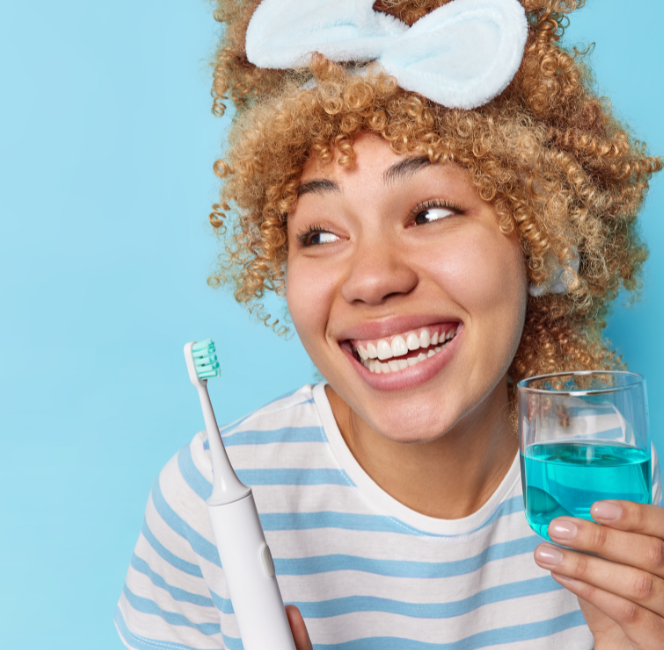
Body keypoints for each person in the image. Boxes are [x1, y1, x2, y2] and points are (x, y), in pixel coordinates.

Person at [115, 0, 664, 648]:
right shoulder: (207, 497)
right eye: (319, 233)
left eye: (431, 214)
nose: (373, 278)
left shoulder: (614, 479)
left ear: (540, 238)